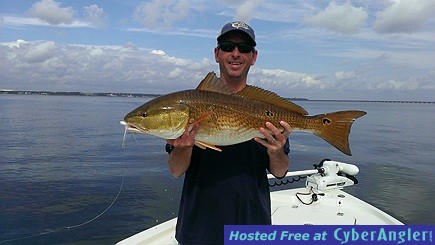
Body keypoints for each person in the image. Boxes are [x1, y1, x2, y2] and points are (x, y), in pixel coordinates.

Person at [166, 21, 292, 245]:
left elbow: (280, 172)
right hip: (198, 230)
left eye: (244, 48)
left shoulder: (265, 109)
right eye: (227, 46)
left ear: (253, 57)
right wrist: (184, 147)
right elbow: (176, 171)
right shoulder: (189, 107)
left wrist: (277, 151)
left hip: (252, 227)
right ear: (217, 54)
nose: (236, 54)